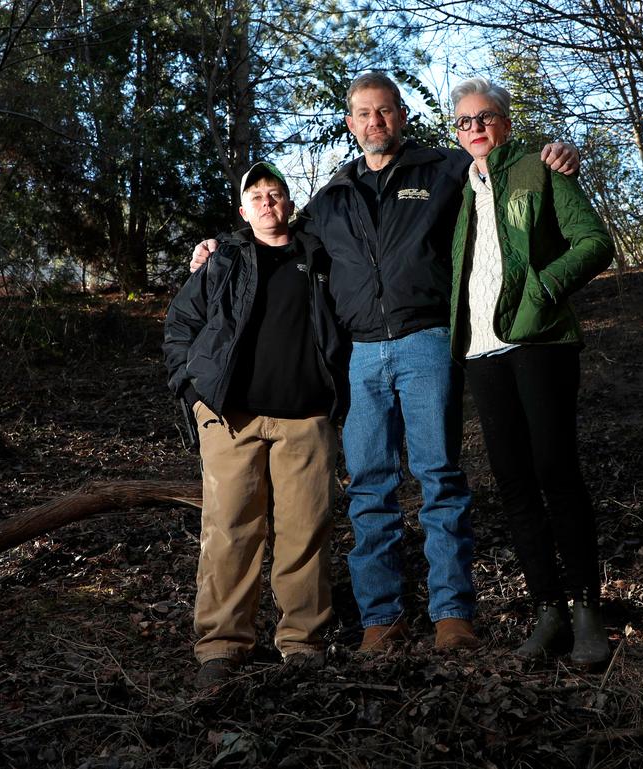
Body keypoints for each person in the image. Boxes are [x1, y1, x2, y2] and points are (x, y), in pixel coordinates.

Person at [191, 72, 579, 653]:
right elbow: (276, 235)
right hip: (360, 354)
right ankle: (382, 619)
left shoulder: (445, 171)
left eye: (386, 111)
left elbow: (499, 168)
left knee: (439, 478)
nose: (375, 122)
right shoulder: (332, 197)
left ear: (401, 116)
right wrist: (220, 249)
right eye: (364, 114)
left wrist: (552, 155)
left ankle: (452, 615)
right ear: (351, 124)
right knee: (370, 487)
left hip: (427, 343)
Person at [447, 77, 615, 668]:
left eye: (485, 117)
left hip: (540, 342)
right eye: (464, 121)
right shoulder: (458, 188)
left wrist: (543, 288)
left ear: (506, 121)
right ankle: (547, 610)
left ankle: (587, 609)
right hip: (480, 352)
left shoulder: (540, 167)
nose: (475, 129)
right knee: (513, 483)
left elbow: (595, 242)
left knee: (555, 470)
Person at [163, 161, 349, 688]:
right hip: (232, 419)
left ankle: (302, 642)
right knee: (229, 530)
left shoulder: (318, 258)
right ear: (243, 211)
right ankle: (222, 646)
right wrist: (195, 390)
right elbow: (181, 324)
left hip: (306, 418)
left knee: (305, 533)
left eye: (276, 193)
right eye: (257, 196)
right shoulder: (224, 262)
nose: (268, 202)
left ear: (289, 203)